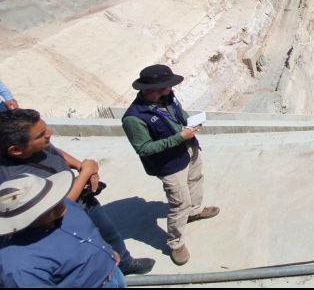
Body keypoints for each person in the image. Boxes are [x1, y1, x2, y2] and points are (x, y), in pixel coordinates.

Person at [0, 109, 155, 276]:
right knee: (88, 244)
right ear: (15, 150)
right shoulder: (14, 180)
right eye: (41, 135)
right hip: (62, 218)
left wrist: (80, 165)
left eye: (45, 129)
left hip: (83, 198)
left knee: (109, 233)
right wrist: (86, 173)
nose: (49, 134)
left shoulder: (37, 144)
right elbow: (58, 206)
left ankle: (125, 263)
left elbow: (55, 151)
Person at [121, 64, 219, 266]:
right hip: (169, 164)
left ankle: (195, 211)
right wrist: (178, 137)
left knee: (195, 180)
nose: (171, 89)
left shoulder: (168, 98)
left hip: (188, 150)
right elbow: (144, 148)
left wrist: (189, 122)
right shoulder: (134, 118)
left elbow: (179, 113)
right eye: (167, 87)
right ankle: (176, 243)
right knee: (178, 203)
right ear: (151, 90)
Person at [0, 172, 126, 288]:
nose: (59, 200)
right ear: (28, 219)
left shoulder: (63, 206)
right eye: (48, 204)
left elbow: (87, 234)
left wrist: (107, 252)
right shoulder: (20, 267)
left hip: (114, 273)